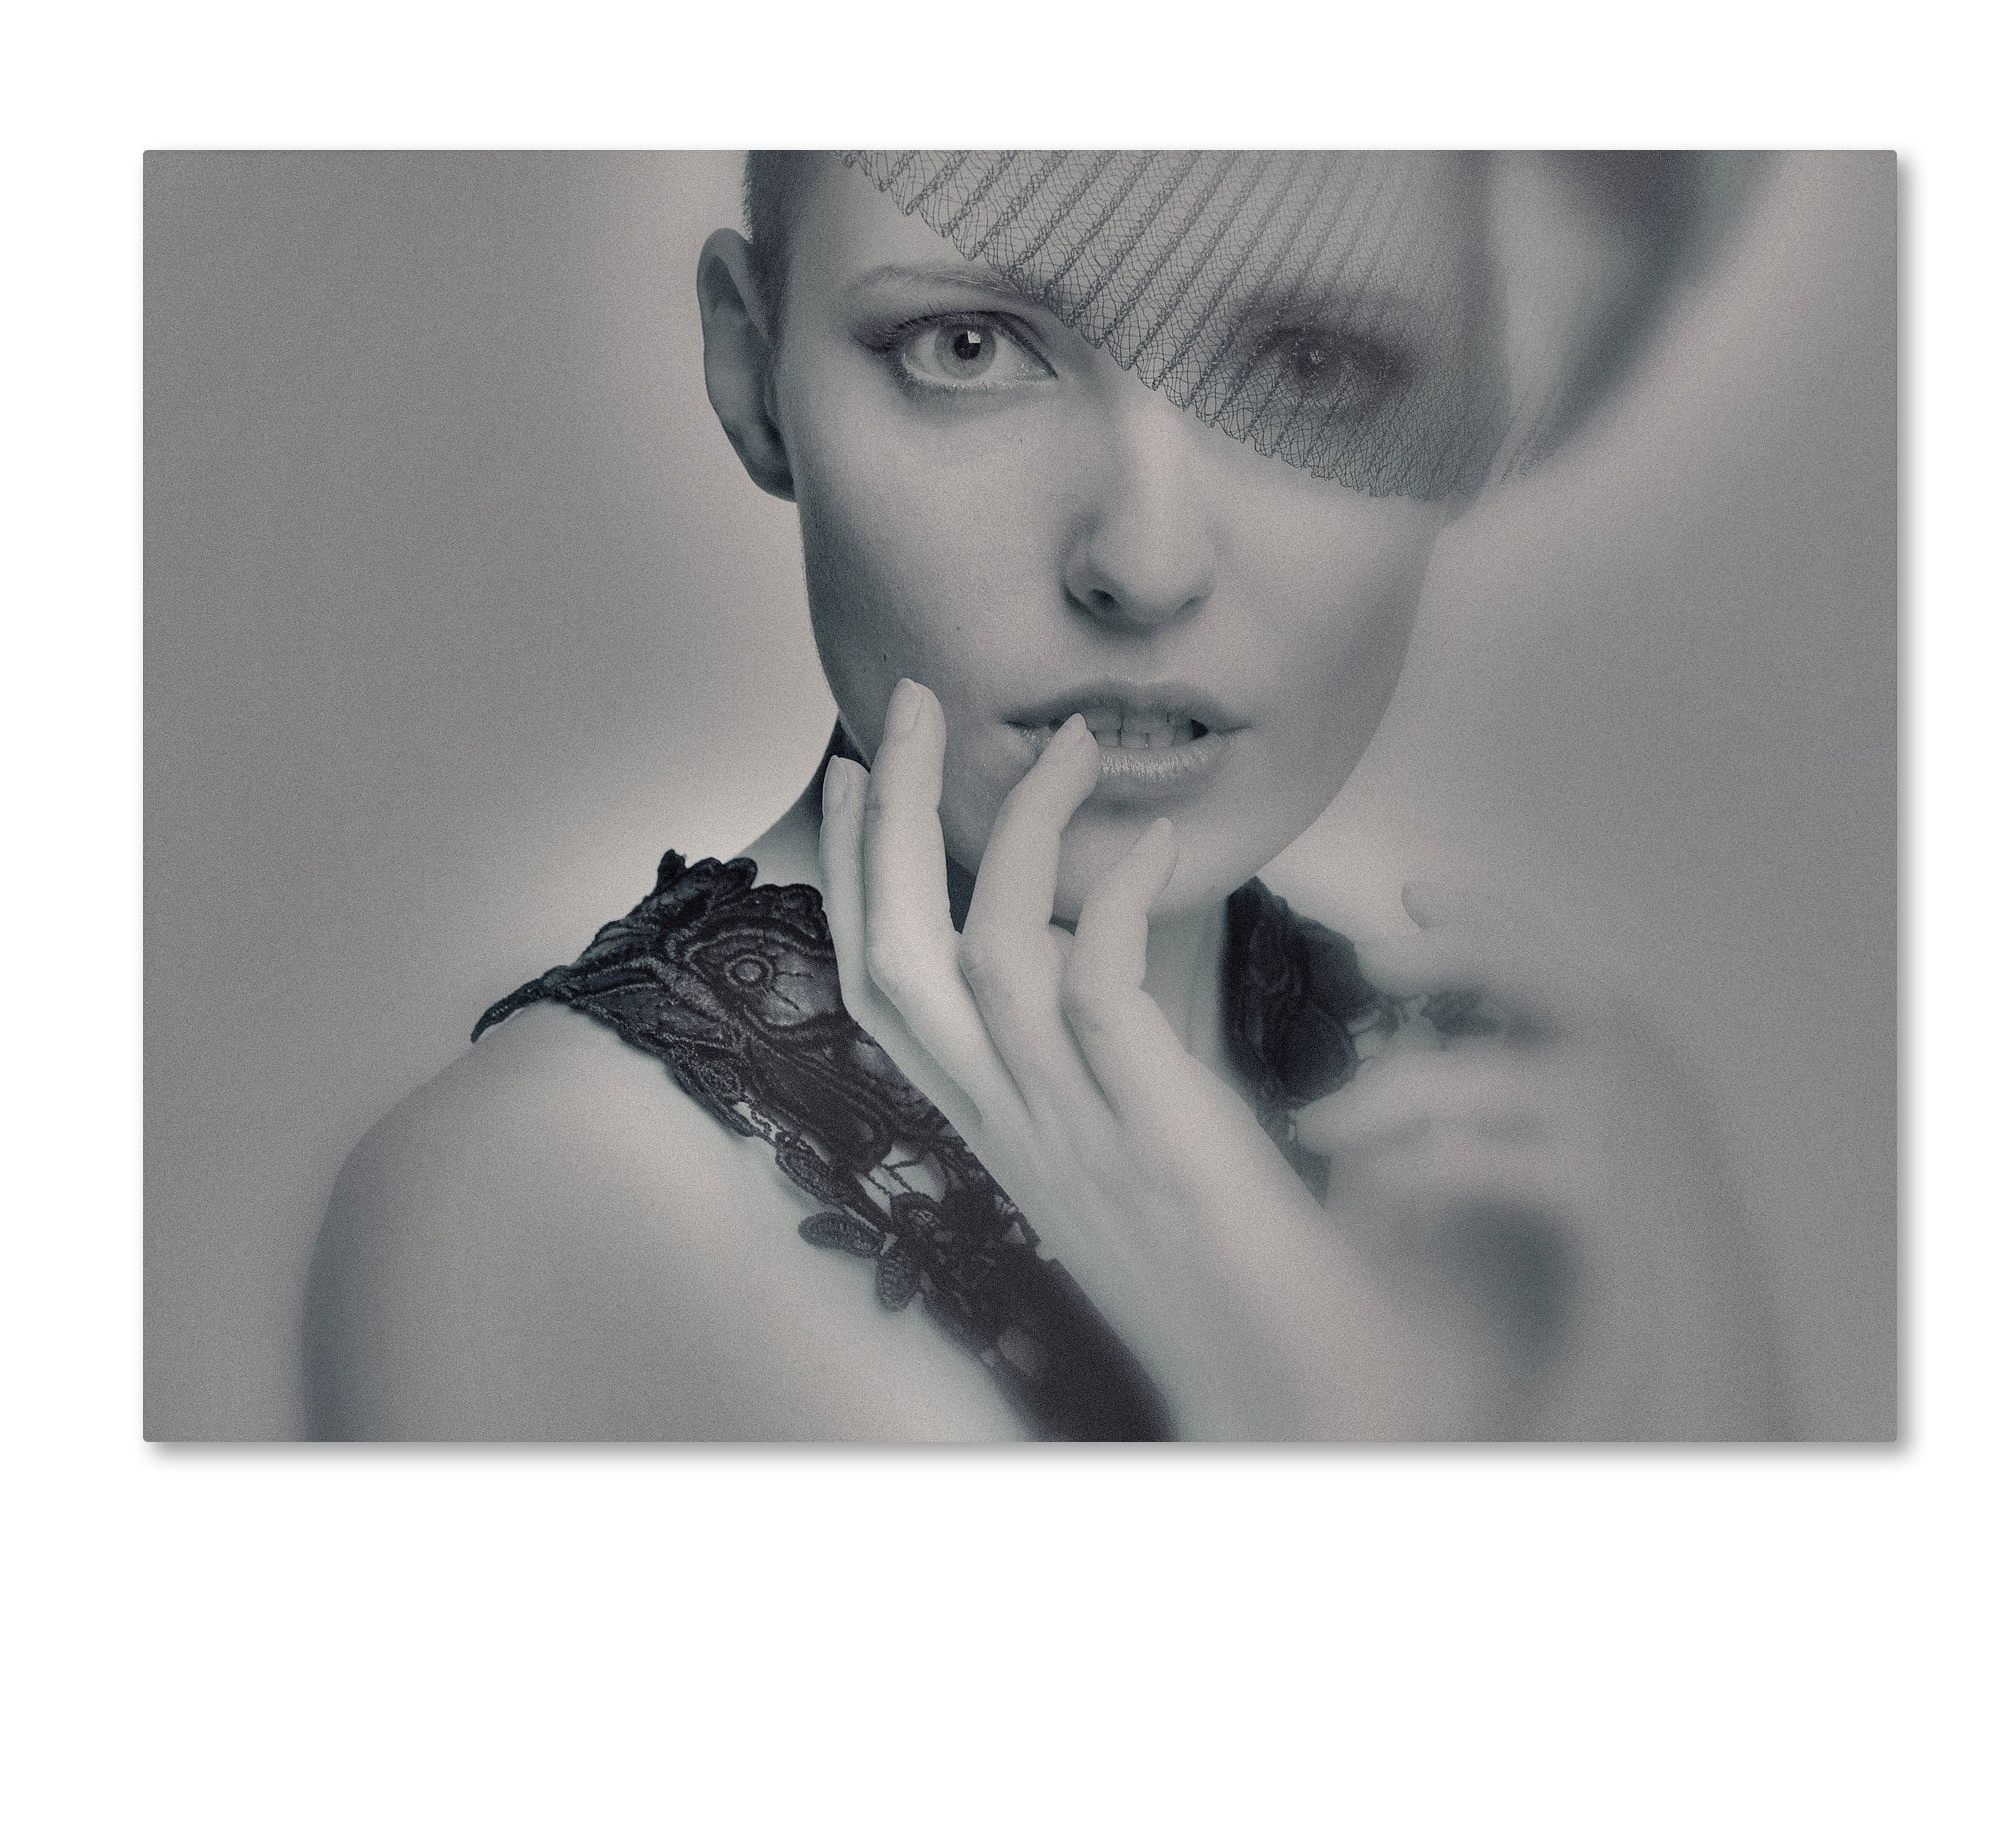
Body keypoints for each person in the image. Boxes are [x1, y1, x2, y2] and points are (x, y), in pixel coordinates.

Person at [304, 150, 1790, 1441]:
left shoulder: (1567, 1164)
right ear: (754, 374)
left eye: (1313, 368)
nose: (1143, 562)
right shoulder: (547, 1201)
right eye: (967, 348)